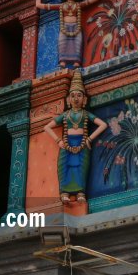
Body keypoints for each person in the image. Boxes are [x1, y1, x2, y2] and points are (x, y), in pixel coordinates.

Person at [43, 70, 107, 204]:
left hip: (82, 144)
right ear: (68, 99)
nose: (76, 98)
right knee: (65, 167)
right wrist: (58, 141)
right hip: (66, 145)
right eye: (73, 96)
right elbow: (47, 127)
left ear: (84, 99)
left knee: (81, 168)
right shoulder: (65, 115)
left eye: (79, 95)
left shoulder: (85, 114)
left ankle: (80, 192)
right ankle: (64, 192)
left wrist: (89, 139)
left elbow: (103, 125)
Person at [36, 0, 100, 70]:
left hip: (76, 28)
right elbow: (39, 5)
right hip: (64, 28)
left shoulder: (78, 5)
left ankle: (76, 62)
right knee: (62, 43)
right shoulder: (61, 6)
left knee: (77, 43)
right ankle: (62, 62)